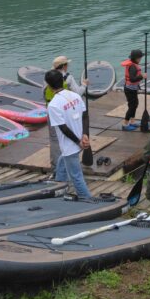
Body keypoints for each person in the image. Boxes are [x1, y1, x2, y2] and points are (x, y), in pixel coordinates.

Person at [45, 69, 92, 200]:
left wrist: (78, 142)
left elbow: (63, 128)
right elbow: (85, 115)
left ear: (49, 86)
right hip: (80, 139)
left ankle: (88, 200)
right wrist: (85, 135)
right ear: (63, 81)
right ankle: (59, 183)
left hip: (71, 144)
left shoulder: (53, 105)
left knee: (76, 177)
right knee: (62, 159)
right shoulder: (75, 95)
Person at [44, 56, 86, 175]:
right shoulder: (68, 77)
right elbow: (78, 92)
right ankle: (69, 163)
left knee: (54, 139)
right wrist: (84, 85)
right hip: (66, 111)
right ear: (63, 66)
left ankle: (56, 166)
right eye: (67, 64)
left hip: (51, 109)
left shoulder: (47, 77)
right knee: (68, 135)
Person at [120, 49, 146, 131]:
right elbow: (132, 79)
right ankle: (125, 124)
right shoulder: (132, 67)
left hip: (132, 89)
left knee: (135, 104)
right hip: (129, 90)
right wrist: (142, 76)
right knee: (132, 107)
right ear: (136, 58)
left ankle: (132, 121)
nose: (140, 59)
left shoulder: (133, 64)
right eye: (139, 57)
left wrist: (140, 76)